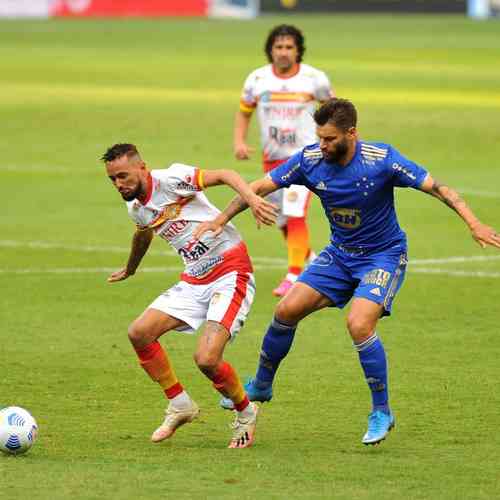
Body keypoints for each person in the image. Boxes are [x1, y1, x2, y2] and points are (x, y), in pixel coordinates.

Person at [194, 98, 500, 445]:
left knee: (358, 323)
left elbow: (439, 188)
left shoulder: (381, 160)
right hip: (339, 256)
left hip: (382, 256)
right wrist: (221, 218)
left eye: (329, 139)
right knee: (285, 310)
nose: (321, 145)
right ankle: (262, 384)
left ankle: (381, 411)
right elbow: (260, 186)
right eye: (319, 137)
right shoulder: (310, 159)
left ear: (351, 133)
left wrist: (474, 223)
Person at [102, 143, 276, 449]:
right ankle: (180, 404)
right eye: (113, 179)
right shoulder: (136, 207)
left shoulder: (172, 179)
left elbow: (225, 174)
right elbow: (143, 231)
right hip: (195, 279)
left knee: (207, 359)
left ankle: (246, 412)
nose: (119, 184)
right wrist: (130, 268)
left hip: (230, 272)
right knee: (139, 333)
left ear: (142, 167)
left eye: (123, 176)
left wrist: (251, 199)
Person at [234, 24, 334, 297]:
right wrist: (240, 141)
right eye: (279, 47)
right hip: (272, 160)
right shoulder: (257, 79)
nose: (284, 52)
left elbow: (334, 112)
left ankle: (294, 274)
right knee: (281, 220)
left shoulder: (315, 79)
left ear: (298, 50)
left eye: (289, 47)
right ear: (271, 50)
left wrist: (333, 146)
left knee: (294, 211)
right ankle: (313, 260)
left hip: (307, 159)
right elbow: (244, 112)